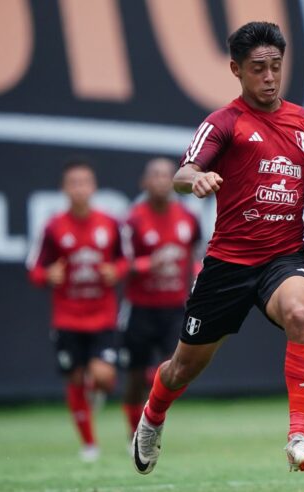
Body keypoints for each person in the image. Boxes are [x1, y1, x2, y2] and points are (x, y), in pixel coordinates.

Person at [131, 21, 304, 475]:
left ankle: (298, 435)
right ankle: (154, 414)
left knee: (300, 313)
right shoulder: (224, 123)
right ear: (236, 70)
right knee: (182, 369)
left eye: (276, 67)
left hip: (284, 257)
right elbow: (184, 172)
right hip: (227, 265)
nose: (270, 77)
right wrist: (196, 179)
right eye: (258, 68)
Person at [26, 158, 128, 462]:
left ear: (94, 187)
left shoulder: (109, 223)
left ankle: (97, 388)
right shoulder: (54, 227)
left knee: (103, 375)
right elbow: (34, 269)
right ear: (64, 189)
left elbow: (124, 259)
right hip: (68, 317)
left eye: (85, 182)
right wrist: (48, 276)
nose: (80, 189)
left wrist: (116, 271)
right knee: (73, 378)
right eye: (73, 183)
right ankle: (89, 445)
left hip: (103, 315)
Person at [119, 157, 202, 441]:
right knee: (133, 376)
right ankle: (135, 433)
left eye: (167, 175)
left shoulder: (188, 219)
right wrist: (148, 264)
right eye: (154, 175)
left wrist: (198, 276)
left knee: (182, 368)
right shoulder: (133, 219)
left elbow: (196, 257)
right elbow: (120, 265)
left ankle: (152, 391)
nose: (161, 180)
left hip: (175, 308)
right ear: (144, 182)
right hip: (140, 308)